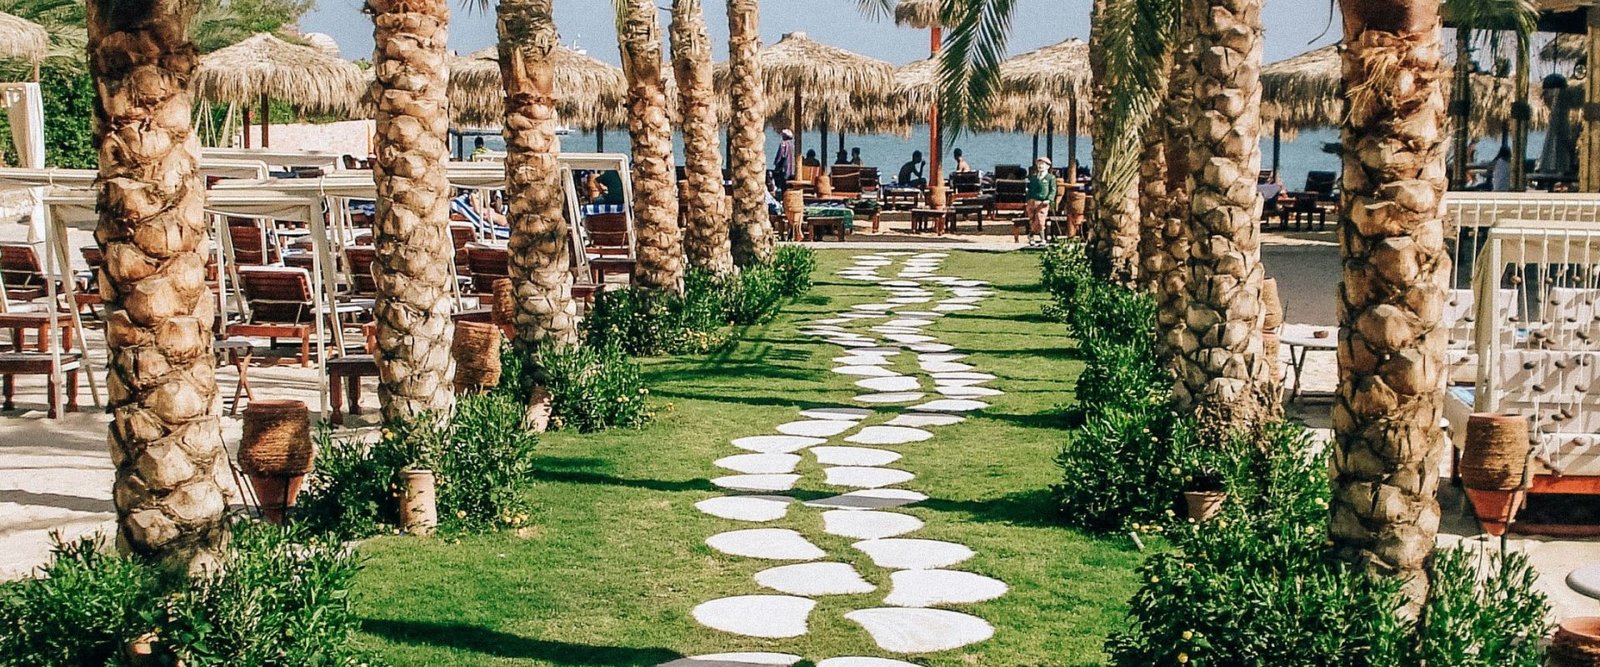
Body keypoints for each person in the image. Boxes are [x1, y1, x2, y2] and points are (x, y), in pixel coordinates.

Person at [1025, 157, 1056, 247]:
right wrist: (1028, 200)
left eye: (1042, 164)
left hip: (1043, 202)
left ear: (1047, 166)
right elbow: (1030, 190)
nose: (1040, 166)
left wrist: (1049, 199)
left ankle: (1041, 238)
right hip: (1032, 201)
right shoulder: (1034, 178)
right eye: (1039, 164)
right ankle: (1032, 238)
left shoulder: (1050, 178)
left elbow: (1053, 190)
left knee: (1040, 220)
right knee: (1032, 219)